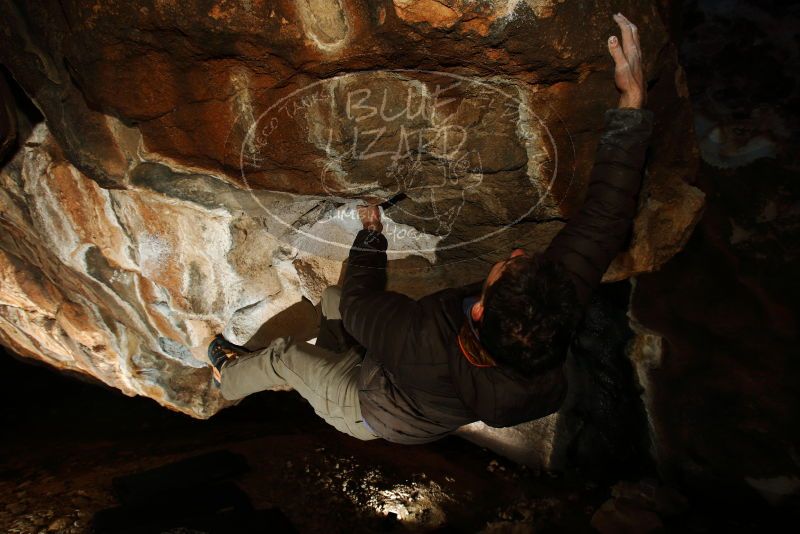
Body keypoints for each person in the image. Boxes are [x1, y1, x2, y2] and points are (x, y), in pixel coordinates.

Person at [207, 13, 653, 444]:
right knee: (331, 300)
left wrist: (370, 233)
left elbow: (363, 304)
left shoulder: (424, 340)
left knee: (289, 355)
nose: (517, 256)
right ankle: (338, 355)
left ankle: (228, 377)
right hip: (413, 394)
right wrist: (631, 106)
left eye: (507, 269)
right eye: (526, 263)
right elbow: (604, 220)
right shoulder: (548, 314)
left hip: (367, 409)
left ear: (478, 312)